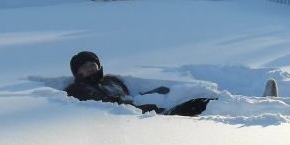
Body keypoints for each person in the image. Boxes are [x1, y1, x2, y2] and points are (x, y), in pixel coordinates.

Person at [64, 51, 214, 116]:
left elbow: (130, 97)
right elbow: (107, 106)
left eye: (92, 64)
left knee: (176, 95)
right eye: (84, 66)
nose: (90, 68)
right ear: (78, 73)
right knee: (195, 107)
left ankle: (215, 105)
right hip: (133, 118)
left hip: (141, 109)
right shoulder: (77, 89)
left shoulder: (111, 81)